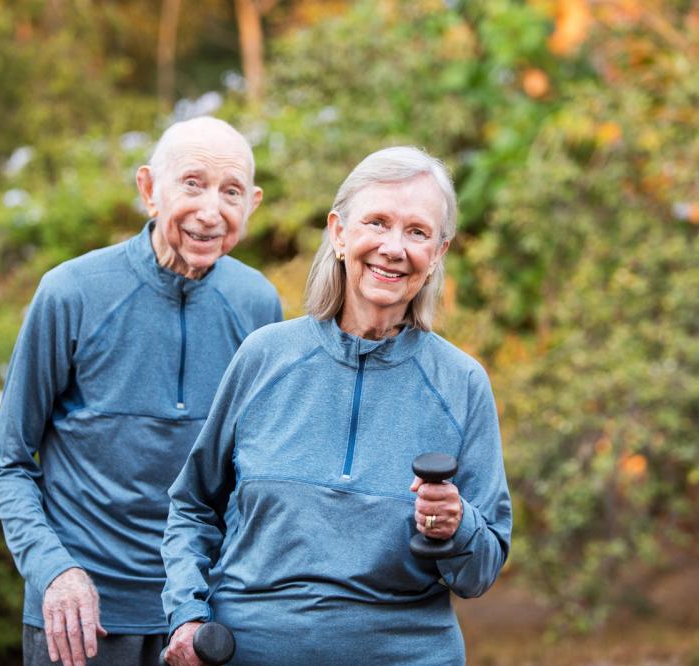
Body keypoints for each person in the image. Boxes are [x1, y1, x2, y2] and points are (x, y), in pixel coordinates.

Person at [161, 146, 512, 665]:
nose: (394, 248)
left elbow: (480, 572)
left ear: (438, 253)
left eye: (417, 232)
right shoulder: (264, 357)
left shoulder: (461, 383)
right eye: (377, 222)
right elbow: (193, 506)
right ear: (339, 232)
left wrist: (456, 525)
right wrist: (187, 615)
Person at [0, 116, 283, 666]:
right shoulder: (70, 293)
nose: (211, 210)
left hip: (203, 619)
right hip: (79, 622)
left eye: (231, 191)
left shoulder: (259, 306)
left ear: (253, 205)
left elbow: (252, 473)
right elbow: (7, 460)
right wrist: (54, 569)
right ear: (149, 190)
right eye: (192, 183)